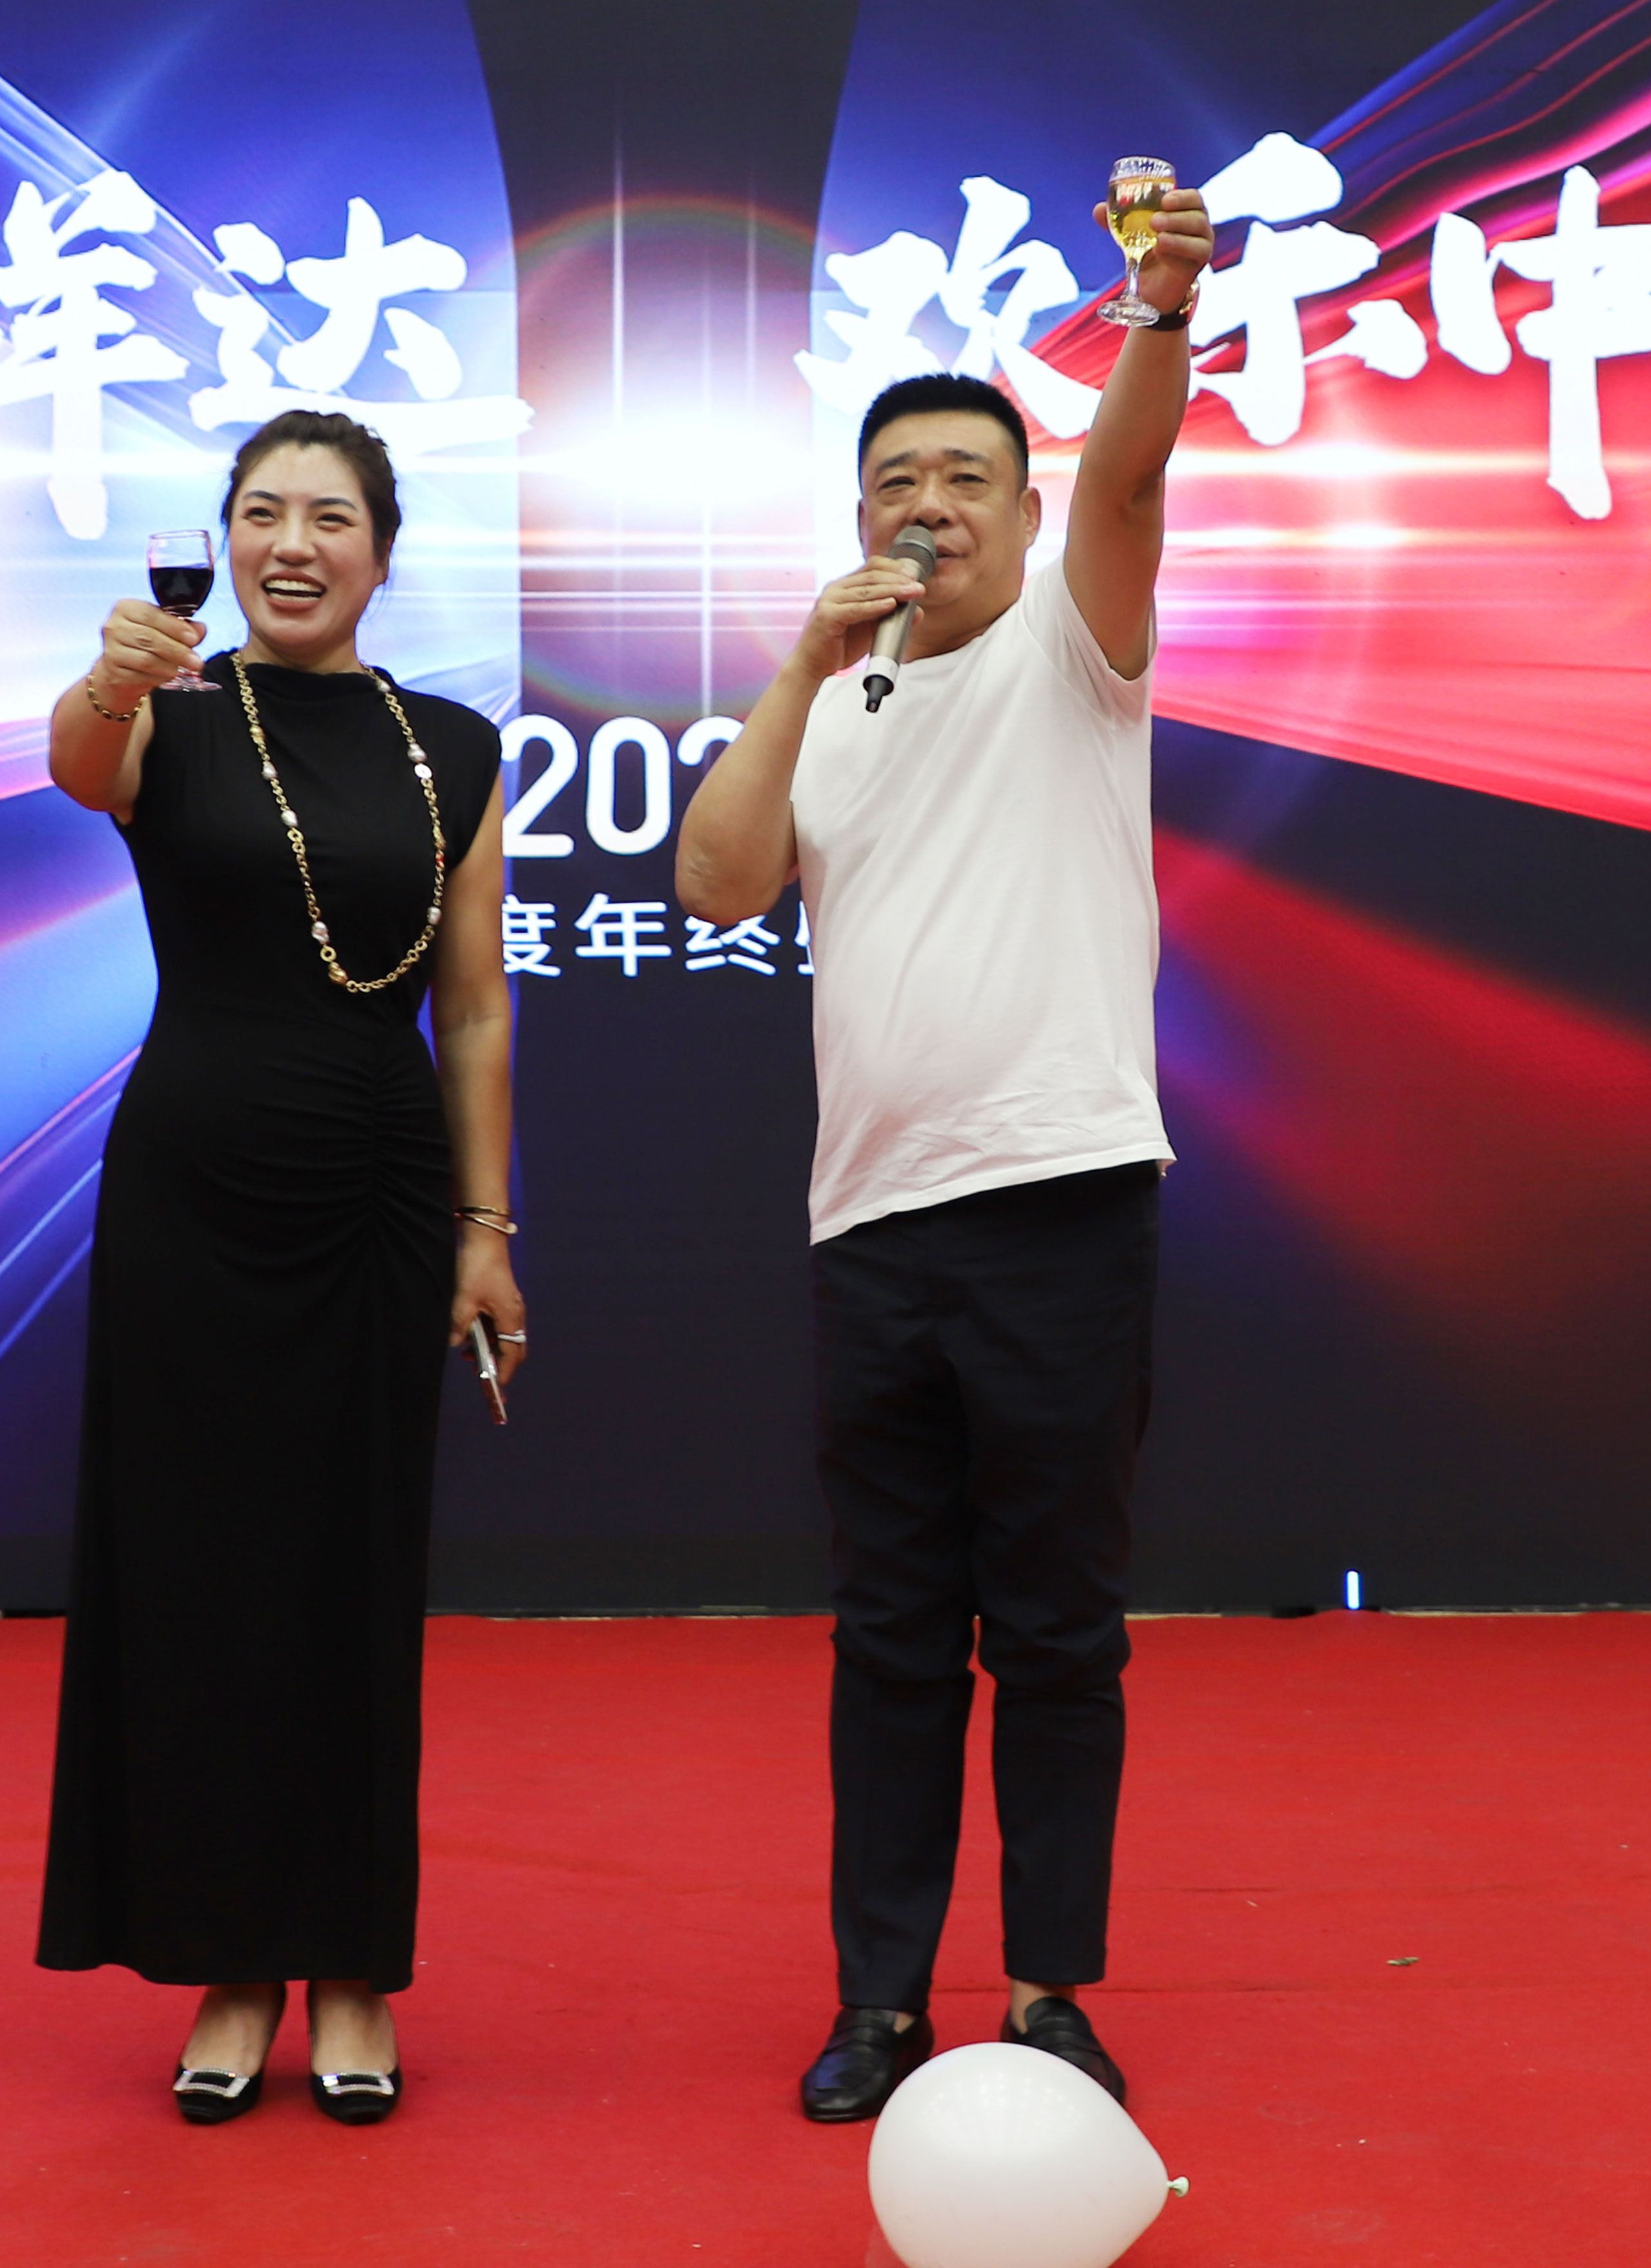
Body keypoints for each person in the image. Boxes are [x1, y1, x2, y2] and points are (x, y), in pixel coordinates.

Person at [674, 185, 1214, 2119]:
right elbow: (718, 883)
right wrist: (800, 674)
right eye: (896, 480)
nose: (930, 506)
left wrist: (1162, 305)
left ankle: (1051, 1991)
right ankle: (881, 2001)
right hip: (872, 1229)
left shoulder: (1079, 646)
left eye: (968, 478)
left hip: (1061, 1200)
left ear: (1027, 509)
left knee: (1056, 1630)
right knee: (893, 1634)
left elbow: (1133, 473)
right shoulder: (832, 705)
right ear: (855, 516)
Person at [36, 408, 526, 2127]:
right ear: (224, 539)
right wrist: (114, 674)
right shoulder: (163, 715)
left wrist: (485, 1229)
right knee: (198, 1578)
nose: (291, 545)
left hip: (380, 1196)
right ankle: (230, 1965)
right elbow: (76, 768)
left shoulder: (454, 745)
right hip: (193, 1188)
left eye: (330, 518)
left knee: (353, 1577)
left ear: (384, 554)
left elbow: (474, 1006)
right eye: (261, 513)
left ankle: (354, 1968)